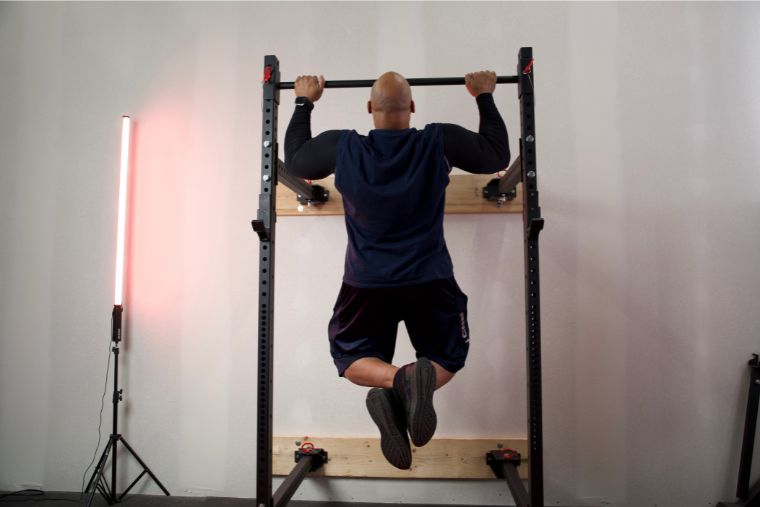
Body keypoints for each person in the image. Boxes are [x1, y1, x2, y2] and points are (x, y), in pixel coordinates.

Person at [284, 70, 509, 469]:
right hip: (431, 277)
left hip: (365, 282)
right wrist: (484, 96)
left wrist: (305, 101)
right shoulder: (437, 141)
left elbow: (297, 159)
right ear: (413, 107)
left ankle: (393, 382)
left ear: (369, 108)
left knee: (350, 360)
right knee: (447, 356)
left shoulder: (343, 147)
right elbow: (496, 155)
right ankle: (408, 381)